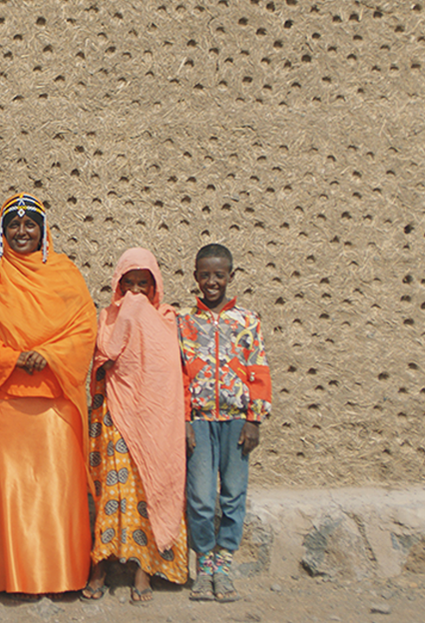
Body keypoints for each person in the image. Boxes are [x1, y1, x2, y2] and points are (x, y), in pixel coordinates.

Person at [0, 192, 97, 598]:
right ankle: (8, 578)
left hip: (54, 402)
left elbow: (85, 330)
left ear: (43, 231)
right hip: (4, 404)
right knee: (9, 491)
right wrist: (12, 358)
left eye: (29, 225)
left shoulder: (67, 275)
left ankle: (60, 576)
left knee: (55, 492)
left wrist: (48, 355)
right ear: (2, 233)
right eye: (13, 225)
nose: (21, 232)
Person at [82, 248, 189, 604]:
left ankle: (144, 568)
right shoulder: (108, 317)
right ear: (118, 284)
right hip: (117, 416)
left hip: (155, 424)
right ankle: (100, 565)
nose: (136, 293)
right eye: (129, 284)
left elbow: (168, 373)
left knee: (148, 490)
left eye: (144, 285)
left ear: (155, 286)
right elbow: (104, 356)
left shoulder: (167, 319)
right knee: (113, 492)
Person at [177, 243, 272, 603]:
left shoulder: (247, 321)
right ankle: (204, 561)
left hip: (236, 419)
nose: (212, 281)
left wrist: (255, 419)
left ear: (231, 276)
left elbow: (259, 370)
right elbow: (179, 374)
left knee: (233, 493)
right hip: (199, 419)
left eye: (219, 275)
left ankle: (224, 562)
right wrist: (184, 419)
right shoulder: (184, 320)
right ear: (196, 277)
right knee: (200, 496)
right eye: (205, 274)